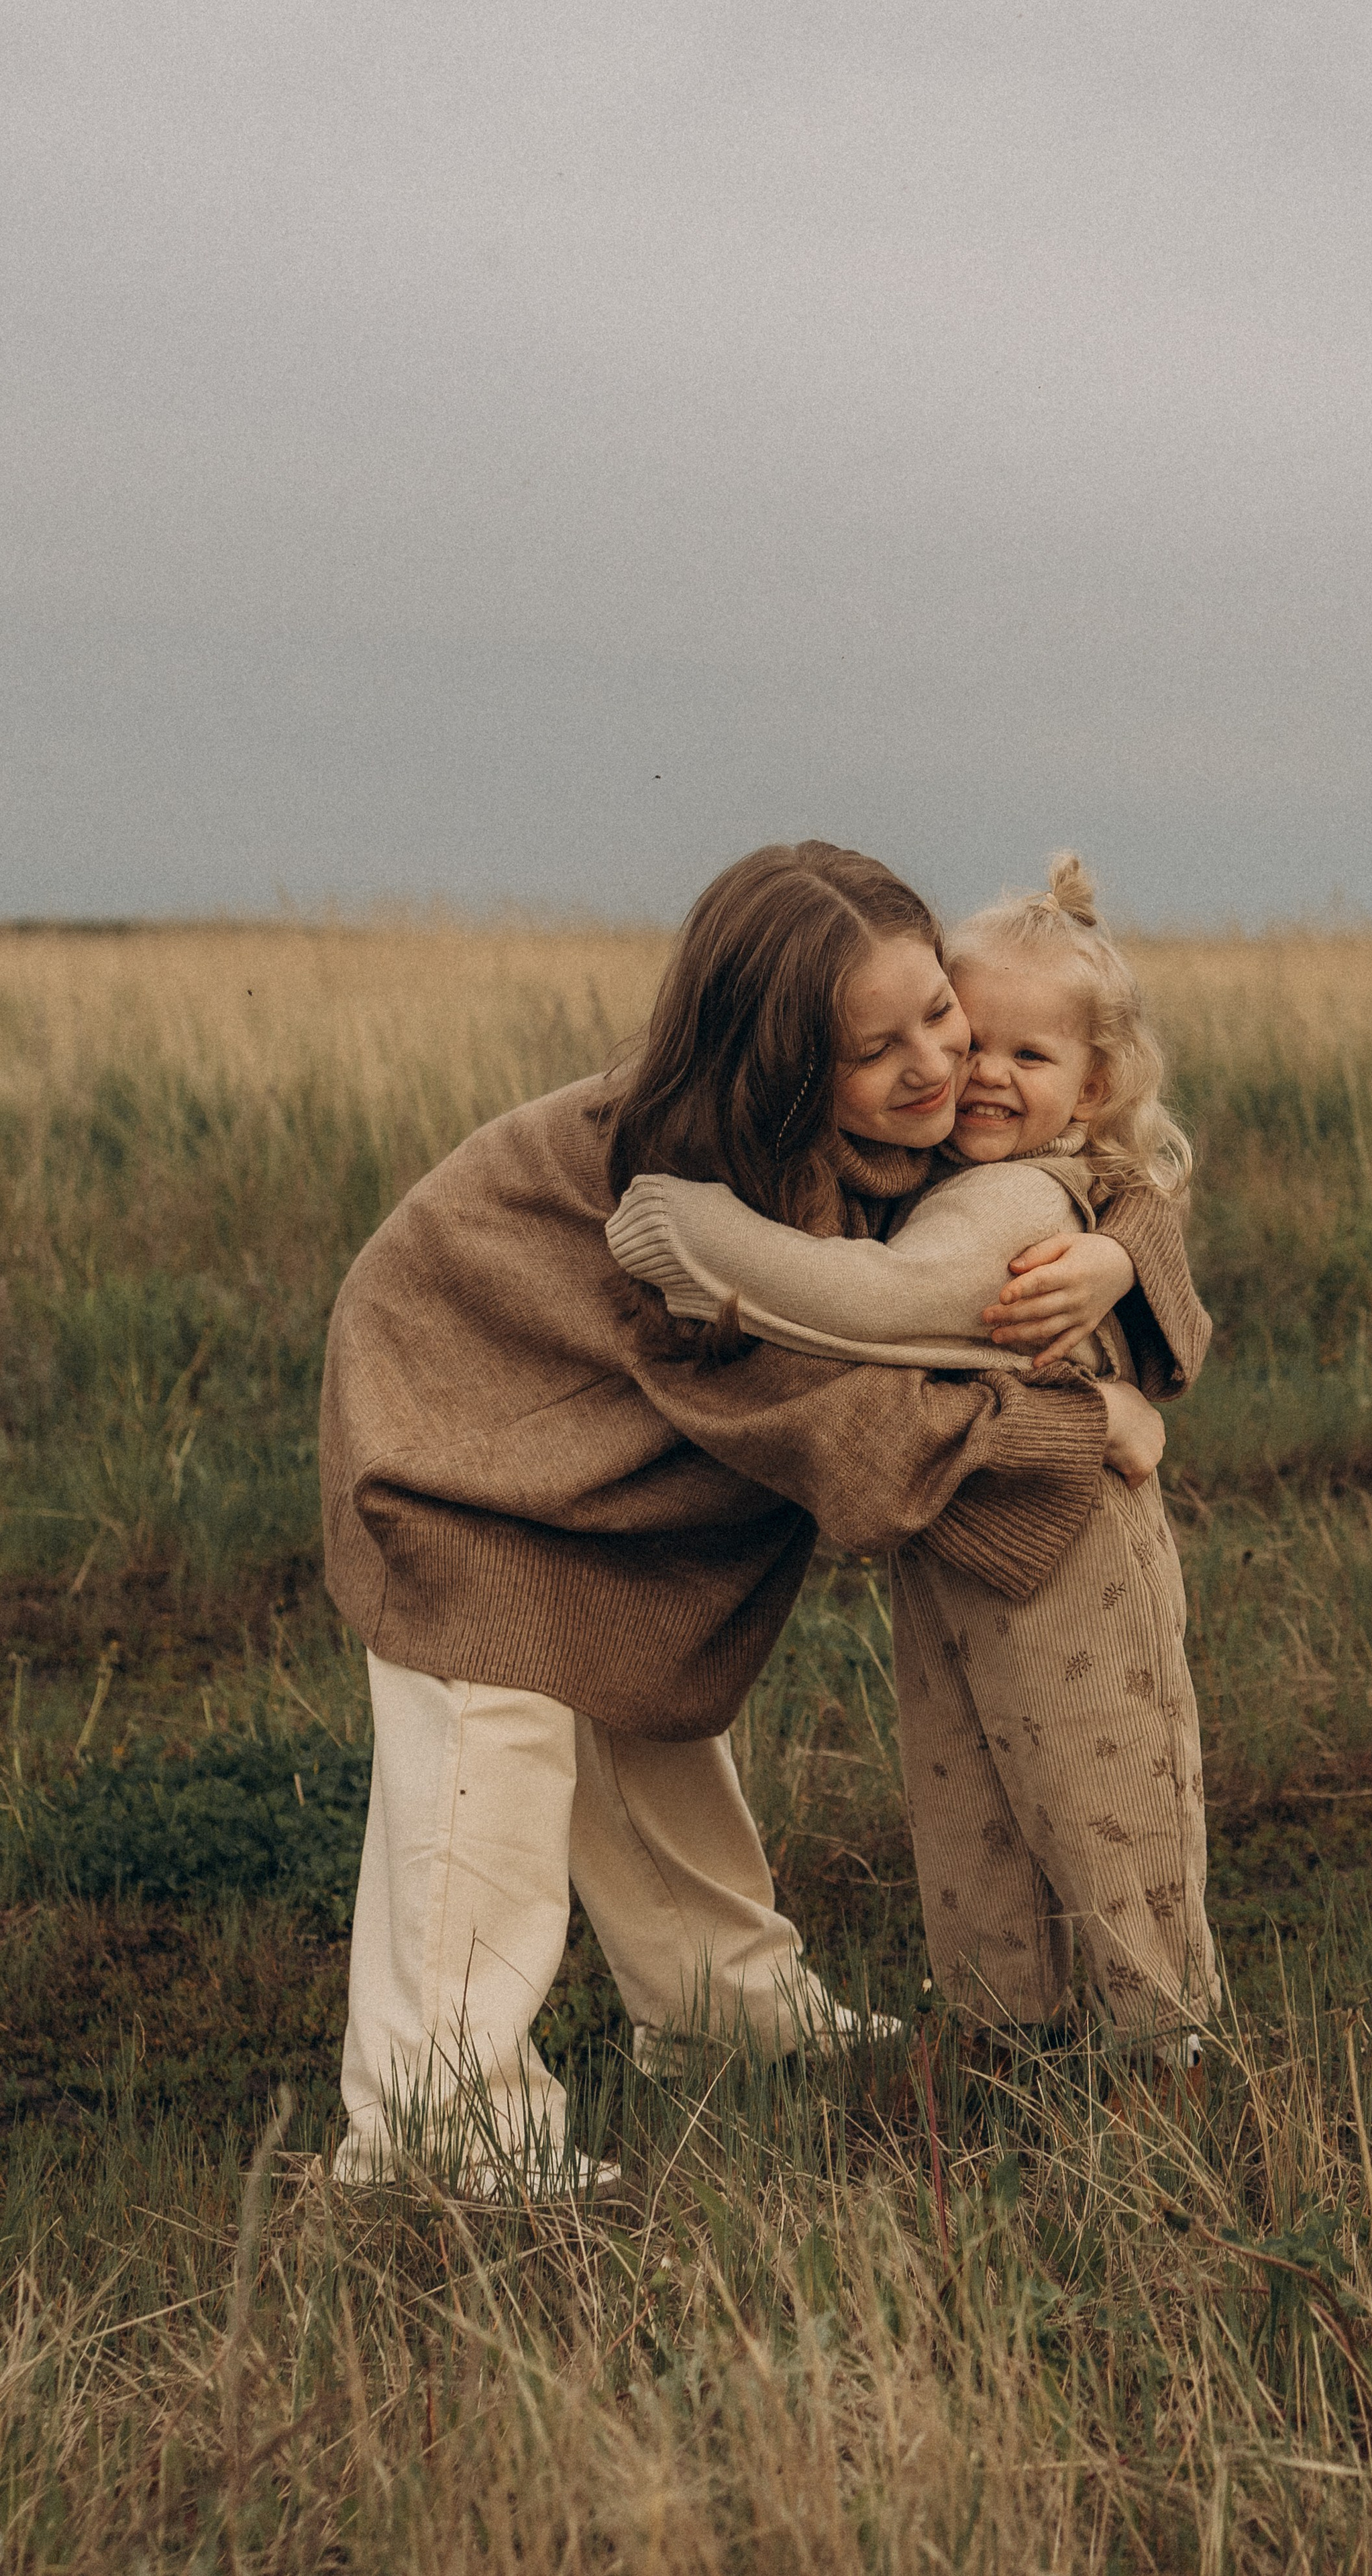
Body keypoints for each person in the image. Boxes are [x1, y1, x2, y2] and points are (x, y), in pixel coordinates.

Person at [319, 841, 1177, 2189]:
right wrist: (1081, 1427)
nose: (938, 1069)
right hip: (454, 1431)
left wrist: (1118, 1247)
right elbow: (851, 1431)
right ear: (776, 1069)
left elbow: (1098, 1146)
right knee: (490, 1767)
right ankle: (440, 2137)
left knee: (643, 1732)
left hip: (591, 1458)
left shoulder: (900, 1121)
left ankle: (732, 2020)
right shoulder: (701, 1222)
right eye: (875, 1048)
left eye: (938, 1016)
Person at [608, 853, 1218, 2065]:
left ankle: (1166, 2048)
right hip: (956, 1545)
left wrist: (702, 1232)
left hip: (1070, 1547)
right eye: (966, 1032)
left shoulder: (1028, 1199)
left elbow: (894, 1295)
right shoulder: (946, 1170)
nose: (970, 1070)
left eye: (1027, 1059)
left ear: (1092, 1091)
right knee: (972, 1804)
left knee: (1107, 1793)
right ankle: (1014, 2042)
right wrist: (1126, 1252)